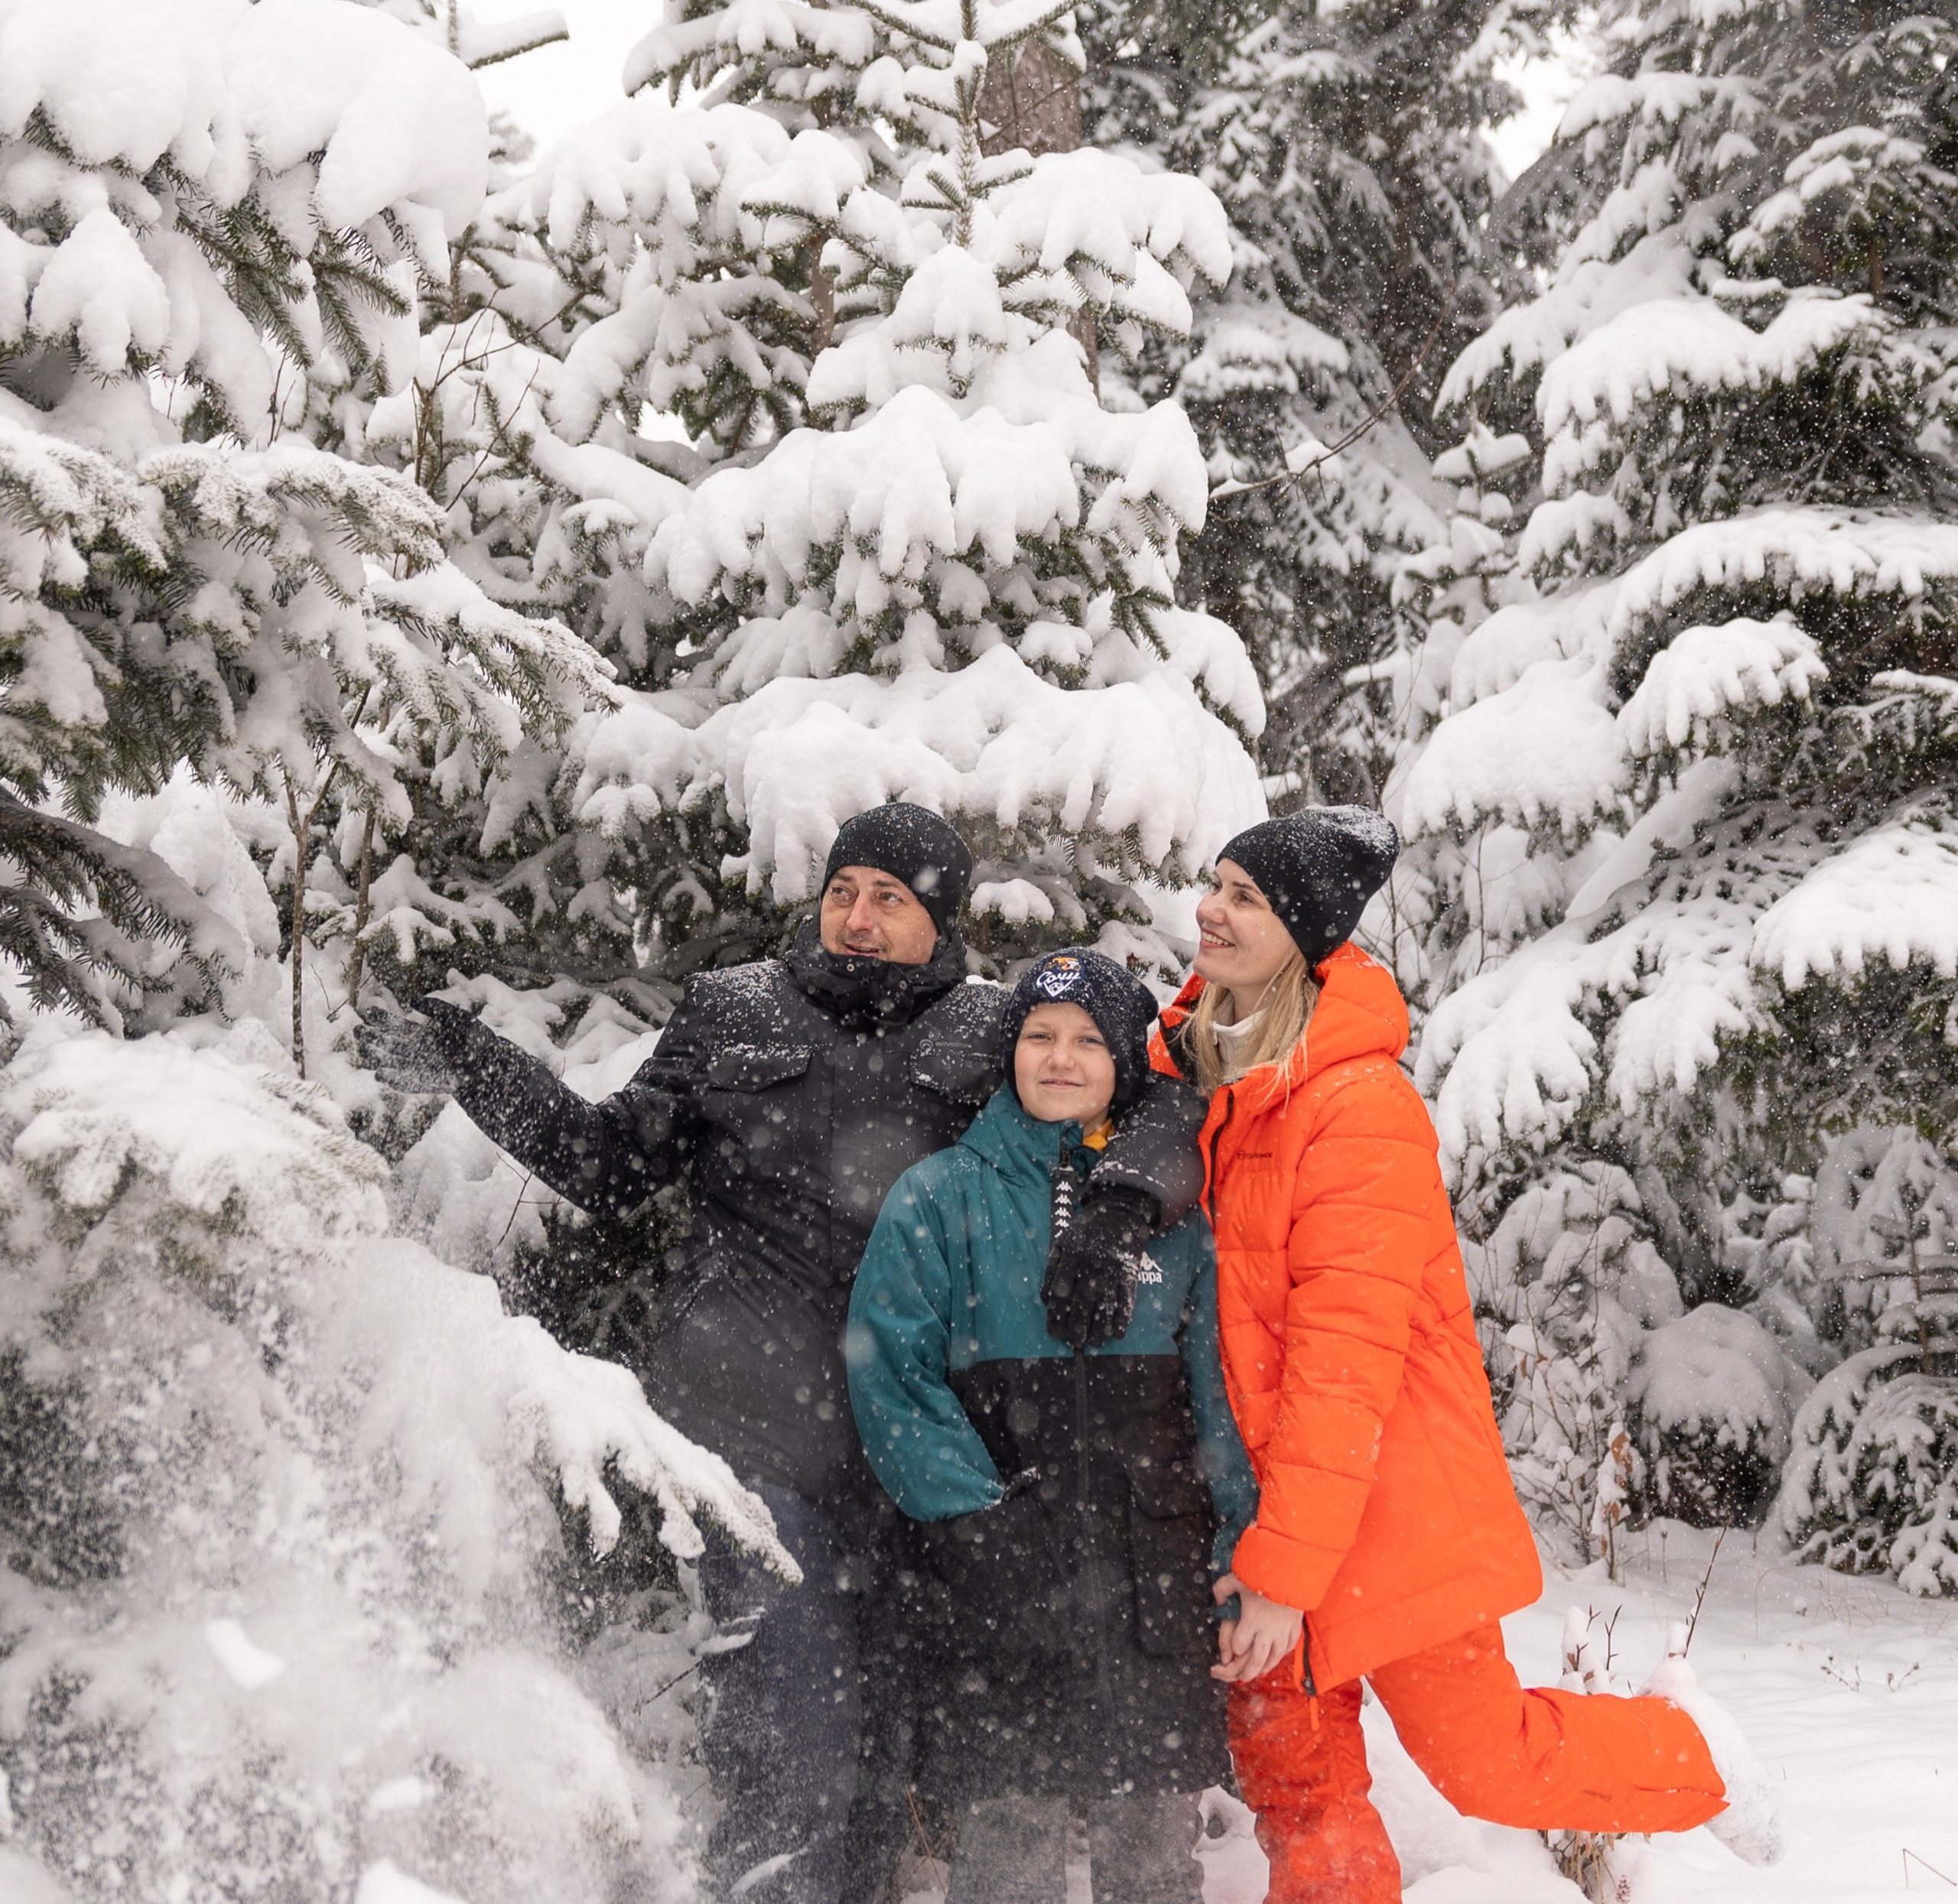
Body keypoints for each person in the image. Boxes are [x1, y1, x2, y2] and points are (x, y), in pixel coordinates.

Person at [354, 804, 1207, 1904]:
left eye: (890, 899)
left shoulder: (991, 1028)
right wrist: (474, 1064)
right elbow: (610, 1166)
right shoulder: (732, 1009)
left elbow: (1135, 1094)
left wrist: (1120, 1208)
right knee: (788, 1743)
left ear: (938, 919)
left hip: (923, 1447)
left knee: (886, 1760)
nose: (858, 917)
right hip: (748, 1425)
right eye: (844, 890)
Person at [1147, 807, 1787, 1904]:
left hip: (1385, 1509)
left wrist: (1283, 1578)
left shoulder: (1357, 1110)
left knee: (1488, 1761)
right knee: (1302, 1793)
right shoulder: (1198, 1079)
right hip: (1249, 1505)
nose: (1211, 909)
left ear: (1305, 936)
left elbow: (1344, 1366)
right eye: (1214, 884)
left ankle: (1701, 1761)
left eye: (1246, 897)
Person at [845, 948, 1258, 1904]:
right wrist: (972, 1513)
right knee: (1003, 1850)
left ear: (1124, 1059)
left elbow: (1219, 1398)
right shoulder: (940, 1195)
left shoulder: (1173, 1217)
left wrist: (1241, 1545)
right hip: (1000, 1574)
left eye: (1086, 1042)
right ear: (1010, 1052)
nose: (1059, 1058)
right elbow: (889, 1375)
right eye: (1038, 1036)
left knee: (1154, 1853)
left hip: (1150, 1578)